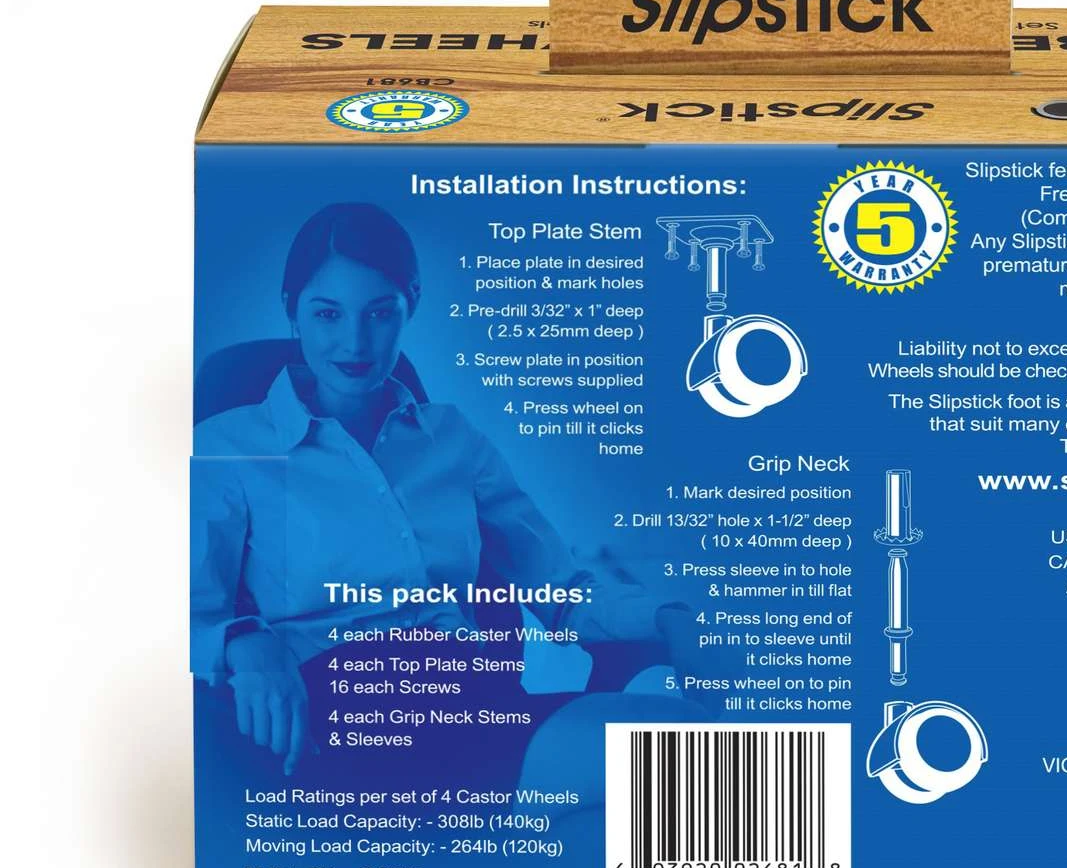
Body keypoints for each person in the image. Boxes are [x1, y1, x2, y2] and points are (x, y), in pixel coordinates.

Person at [191, 202, 699, 777]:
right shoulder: (227, 447)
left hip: (476, 703)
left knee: (685, 740)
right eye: (328, 314)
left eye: (380, 313)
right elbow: (175, 613)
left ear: (411, 304)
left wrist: (667, 617)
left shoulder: (452, 437)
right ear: (292, 310)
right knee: (669, 766)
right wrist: (242, 640)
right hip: (349, 717)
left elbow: (559, 590)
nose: (355, 341)